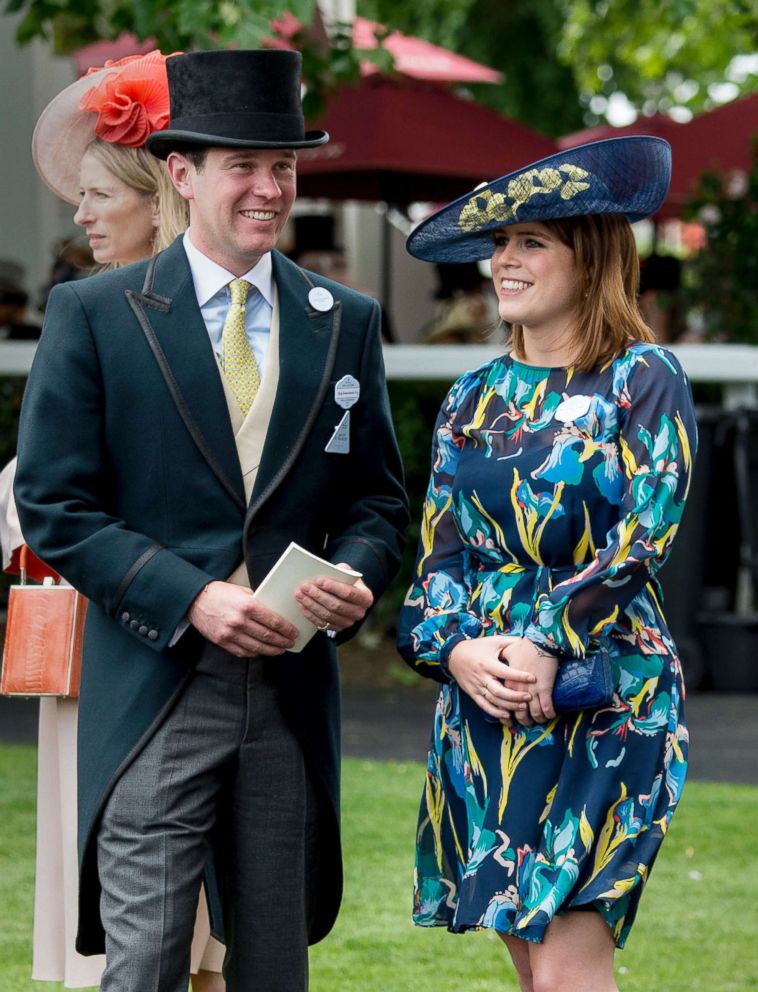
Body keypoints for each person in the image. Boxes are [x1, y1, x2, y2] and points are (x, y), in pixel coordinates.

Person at [15, 48, 407, 992]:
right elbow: (54, 503)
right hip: (155, 687)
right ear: (183, 175)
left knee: (272, 966)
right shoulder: (95, 314)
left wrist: (353, 573)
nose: (269, 189)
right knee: (144, 961)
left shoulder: (344, 319)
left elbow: (379, 500)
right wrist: (190, 599)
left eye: (283, 167)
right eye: (244, 166)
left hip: (289, 697)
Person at [397, 137, 696, 992]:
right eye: (499, 244)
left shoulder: (643, 377)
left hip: (605, 695)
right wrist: (456, 652)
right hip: (487, 700)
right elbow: (438, 556)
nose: (504, 262)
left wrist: (542, 639)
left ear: (590, 256)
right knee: (533, 970)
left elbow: (645, 535)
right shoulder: (472, 395)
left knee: (568, 965)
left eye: (531, 242)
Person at [2, 50, 227, 990]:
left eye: (102, 194)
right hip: (94, 638)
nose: (83, 213)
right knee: (129, 920)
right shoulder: (82, 314)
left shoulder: (230, 314)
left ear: (159, 198)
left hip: (197, 639)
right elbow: (45, 486)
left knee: (210, 927)